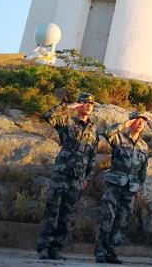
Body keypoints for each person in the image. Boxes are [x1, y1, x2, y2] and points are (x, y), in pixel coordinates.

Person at [37, 92, 99, 260]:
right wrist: (70, 106)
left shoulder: (93, 130)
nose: (88, 106)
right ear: (79, 105)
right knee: (52, 211)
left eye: (91, 104)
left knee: (67, 214)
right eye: (85, 103)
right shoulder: (67, 122)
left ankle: (56, 249)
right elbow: (48, 115)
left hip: (77, 178)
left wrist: (88, 178)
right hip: (62, 173)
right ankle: (44, 248)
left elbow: (92, 156)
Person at [95, 111, 150, 264]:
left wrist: (139, 187)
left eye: (143, 121)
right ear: (130, 122)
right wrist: (124, 124)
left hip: (131, 187)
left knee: (122, 220)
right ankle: (101, 252)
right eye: (137, 120)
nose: (141, 123)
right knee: (108, 218)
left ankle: (112, 252)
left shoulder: (143, 145)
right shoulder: (119, 137)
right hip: (115, 183)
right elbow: (107, 133)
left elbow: (143, 169)